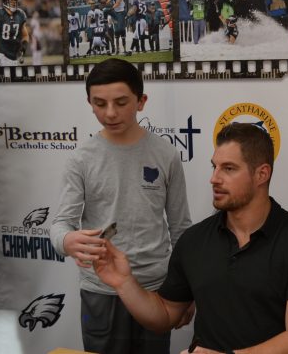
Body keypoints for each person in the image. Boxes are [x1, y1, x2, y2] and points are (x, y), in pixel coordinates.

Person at [92, 123, 288, 354]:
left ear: (262, 174)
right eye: (214, 167)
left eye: (229, 169)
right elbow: (165, 315)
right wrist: (124, 282)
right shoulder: (194, 240)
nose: (214, 178)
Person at [50, 58, 193, 354]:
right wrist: (67, 240)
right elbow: (61, 224)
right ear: (89, 102)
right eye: (99, 104)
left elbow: (181, 228)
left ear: (141, 102)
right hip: (101, 290)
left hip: (156, 288)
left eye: (121, 102)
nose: (110, 113)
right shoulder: (81, 159)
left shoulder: (165, 154)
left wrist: (185, 291)